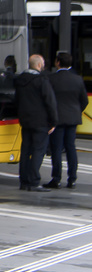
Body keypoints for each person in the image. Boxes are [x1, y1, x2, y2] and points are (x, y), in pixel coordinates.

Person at [14, 53, 57, 192]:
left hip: (25, 121)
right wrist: (54, 121)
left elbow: (17, 101)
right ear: (39, 65)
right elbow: (50, 102)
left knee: (25, 151)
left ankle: (24, 181)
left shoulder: (19, 81)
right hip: (40, 121)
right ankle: (34, 181)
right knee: (39, 150)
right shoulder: (42, 80)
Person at [45, 51, 87, 189]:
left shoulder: (51, 79)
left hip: (57, 119)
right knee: (71, 148)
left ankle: (56, 178)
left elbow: (48, 100)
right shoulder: (78, 79)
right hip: (73, 119)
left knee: (56, 149)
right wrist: (76, 112)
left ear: (58, 62)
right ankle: (72, 179)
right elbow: (84, 101)